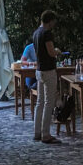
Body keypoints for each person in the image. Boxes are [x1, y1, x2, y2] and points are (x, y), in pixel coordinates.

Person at [32, 9, 63, 145]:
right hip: (49, 70)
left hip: (39, 70)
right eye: (53, 22)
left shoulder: (36, 33)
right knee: (49, 102)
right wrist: (57, 51)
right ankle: (46, 134)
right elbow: (51, 52)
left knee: (40, 102)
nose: (54, 24)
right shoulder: (47, 34)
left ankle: (37, 132)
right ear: (49, 21)